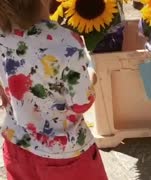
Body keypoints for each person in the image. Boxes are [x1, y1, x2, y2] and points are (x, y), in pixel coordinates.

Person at [0, 0, 107, 179]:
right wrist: (91, 73)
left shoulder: (3, 35)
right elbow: (81, 104)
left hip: (17, 146)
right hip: (64, 155)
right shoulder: (66, 42)